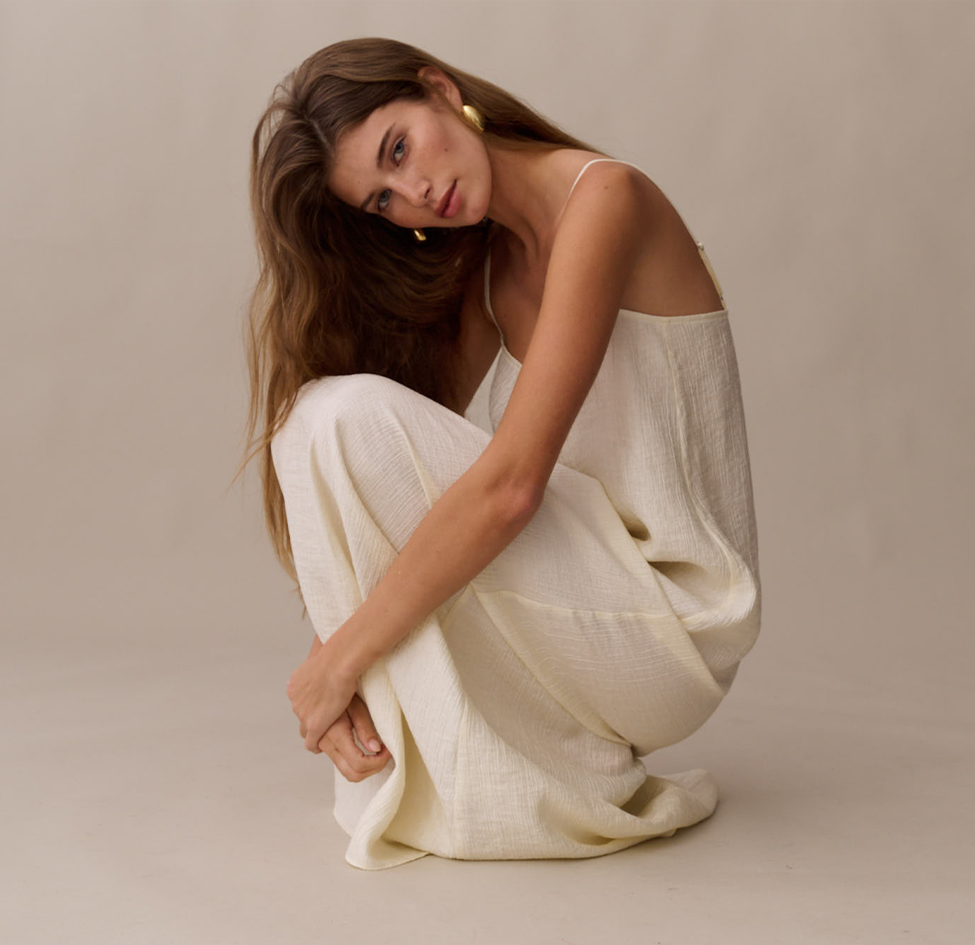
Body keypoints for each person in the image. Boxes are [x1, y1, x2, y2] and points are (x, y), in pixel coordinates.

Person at [243, 37, 761, 870]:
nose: (415, 193)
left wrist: (340, 660)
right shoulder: (485, 272)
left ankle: (431, 772)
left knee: (338, 418)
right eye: (381, 199)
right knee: (310, 421)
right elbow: (407, 494)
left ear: (439, 89)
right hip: (588, 614)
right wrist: (328, 655)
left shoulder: (606, 199)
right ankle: (404, 766)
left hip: (673, 634)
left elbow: (508, 489)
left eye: (398, 148)